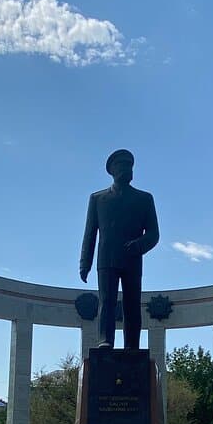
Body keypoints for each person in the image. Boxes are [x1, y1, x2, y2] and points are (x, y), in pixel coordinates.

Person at [79, 149, 160, 350]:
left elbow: (154, 233)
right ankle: (105, 340)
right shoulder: (98, 199)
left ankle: (132, 344)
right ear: (112, 170)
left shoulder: (144, 199)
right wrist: (85, 263)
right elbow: (90, 233)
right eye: (122, 165)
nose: (127, 169)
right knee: (107, 301)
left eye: (129, 165)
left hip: (133, 258)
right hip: (107, 259)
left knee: (133, 304)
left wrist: (140, 245)